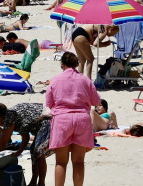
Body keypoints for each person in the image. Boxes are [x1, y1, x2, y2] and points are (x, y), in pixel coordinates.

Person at [46, 52, 101, 186]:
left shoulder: (56, 80)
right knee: (78, 161)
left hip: (62, 120)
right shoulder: (85, 80)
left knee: (61, 162)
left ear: (62, 65)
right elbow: (96, 101)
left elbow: (49, 103)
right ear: (76, 64)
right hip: (82, 120)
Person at [0, 103, 51, 186]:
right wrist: (19, 152)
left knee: (38, 153)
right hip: (42, 123)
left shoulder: (9, 117)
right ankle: (33, 182)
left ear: (0, 116)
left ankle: (41, 183)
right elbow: (25, 137)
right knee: (34, 153)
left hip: (47, 122)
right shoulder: (11, 116)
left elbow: (3, 142)